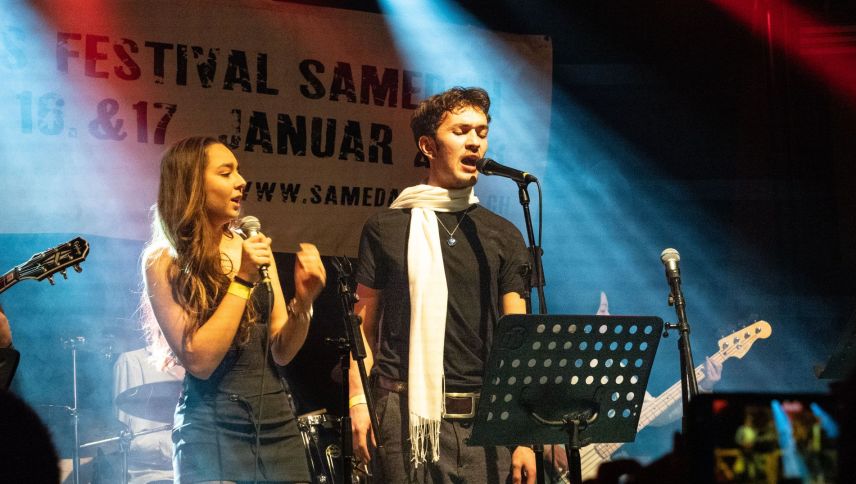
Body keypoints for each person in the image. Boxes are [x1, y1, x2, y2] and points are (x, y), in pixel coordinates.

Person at [349, 87, 537, 483]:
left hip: (487, 420)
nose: (474, 141)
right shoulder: (386, 228)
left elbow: (516, 339)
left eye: (482, 132)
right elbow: (361, 328)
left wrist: (524, 435)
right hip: (403, 412)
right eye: (461, 130)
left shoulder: (502, 235)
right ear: (428, 145)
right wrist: (357, 402)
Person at [140, 136, 326, 483]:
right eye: (226, 173)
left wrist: (305, 301)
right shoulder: (163, 261)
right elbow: (199, 360)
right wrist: (242, 279)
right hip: (210, 427)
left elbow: (282, 352)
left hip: (276, 420)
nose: (241, 181)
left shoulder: (251, 247)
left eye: (238, 171)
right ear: (193, 185)